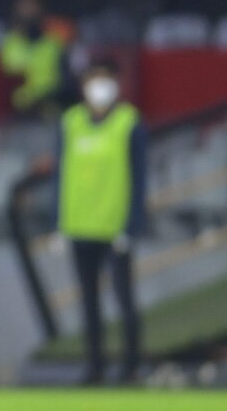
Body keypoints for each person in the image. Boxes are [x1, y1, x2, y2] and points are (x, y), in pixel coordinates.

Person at [55, 58, 146, 385]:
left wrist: (132, 225)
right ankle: (95, 367)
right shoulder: (71, 122)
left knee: (124, 300)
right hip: (80, 226)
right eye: (92, 79)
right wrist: (60, 223)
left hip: (114, 227)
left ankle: (131, 366)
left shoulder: (127, 122)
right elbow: (62, 175)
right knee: (89, 304)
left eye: (104, 79)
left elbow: (139, 178)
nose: (98, 87)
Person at [0, 0, 74, 119]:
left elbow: (65, 81)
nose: (29, 14)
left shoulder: (54, 43)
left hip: (48, 108)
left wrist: (47, 99)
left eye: (33, 9)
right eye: (24, 9)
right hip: (14, 112)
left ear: (42, 12)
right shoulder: (8, 44)